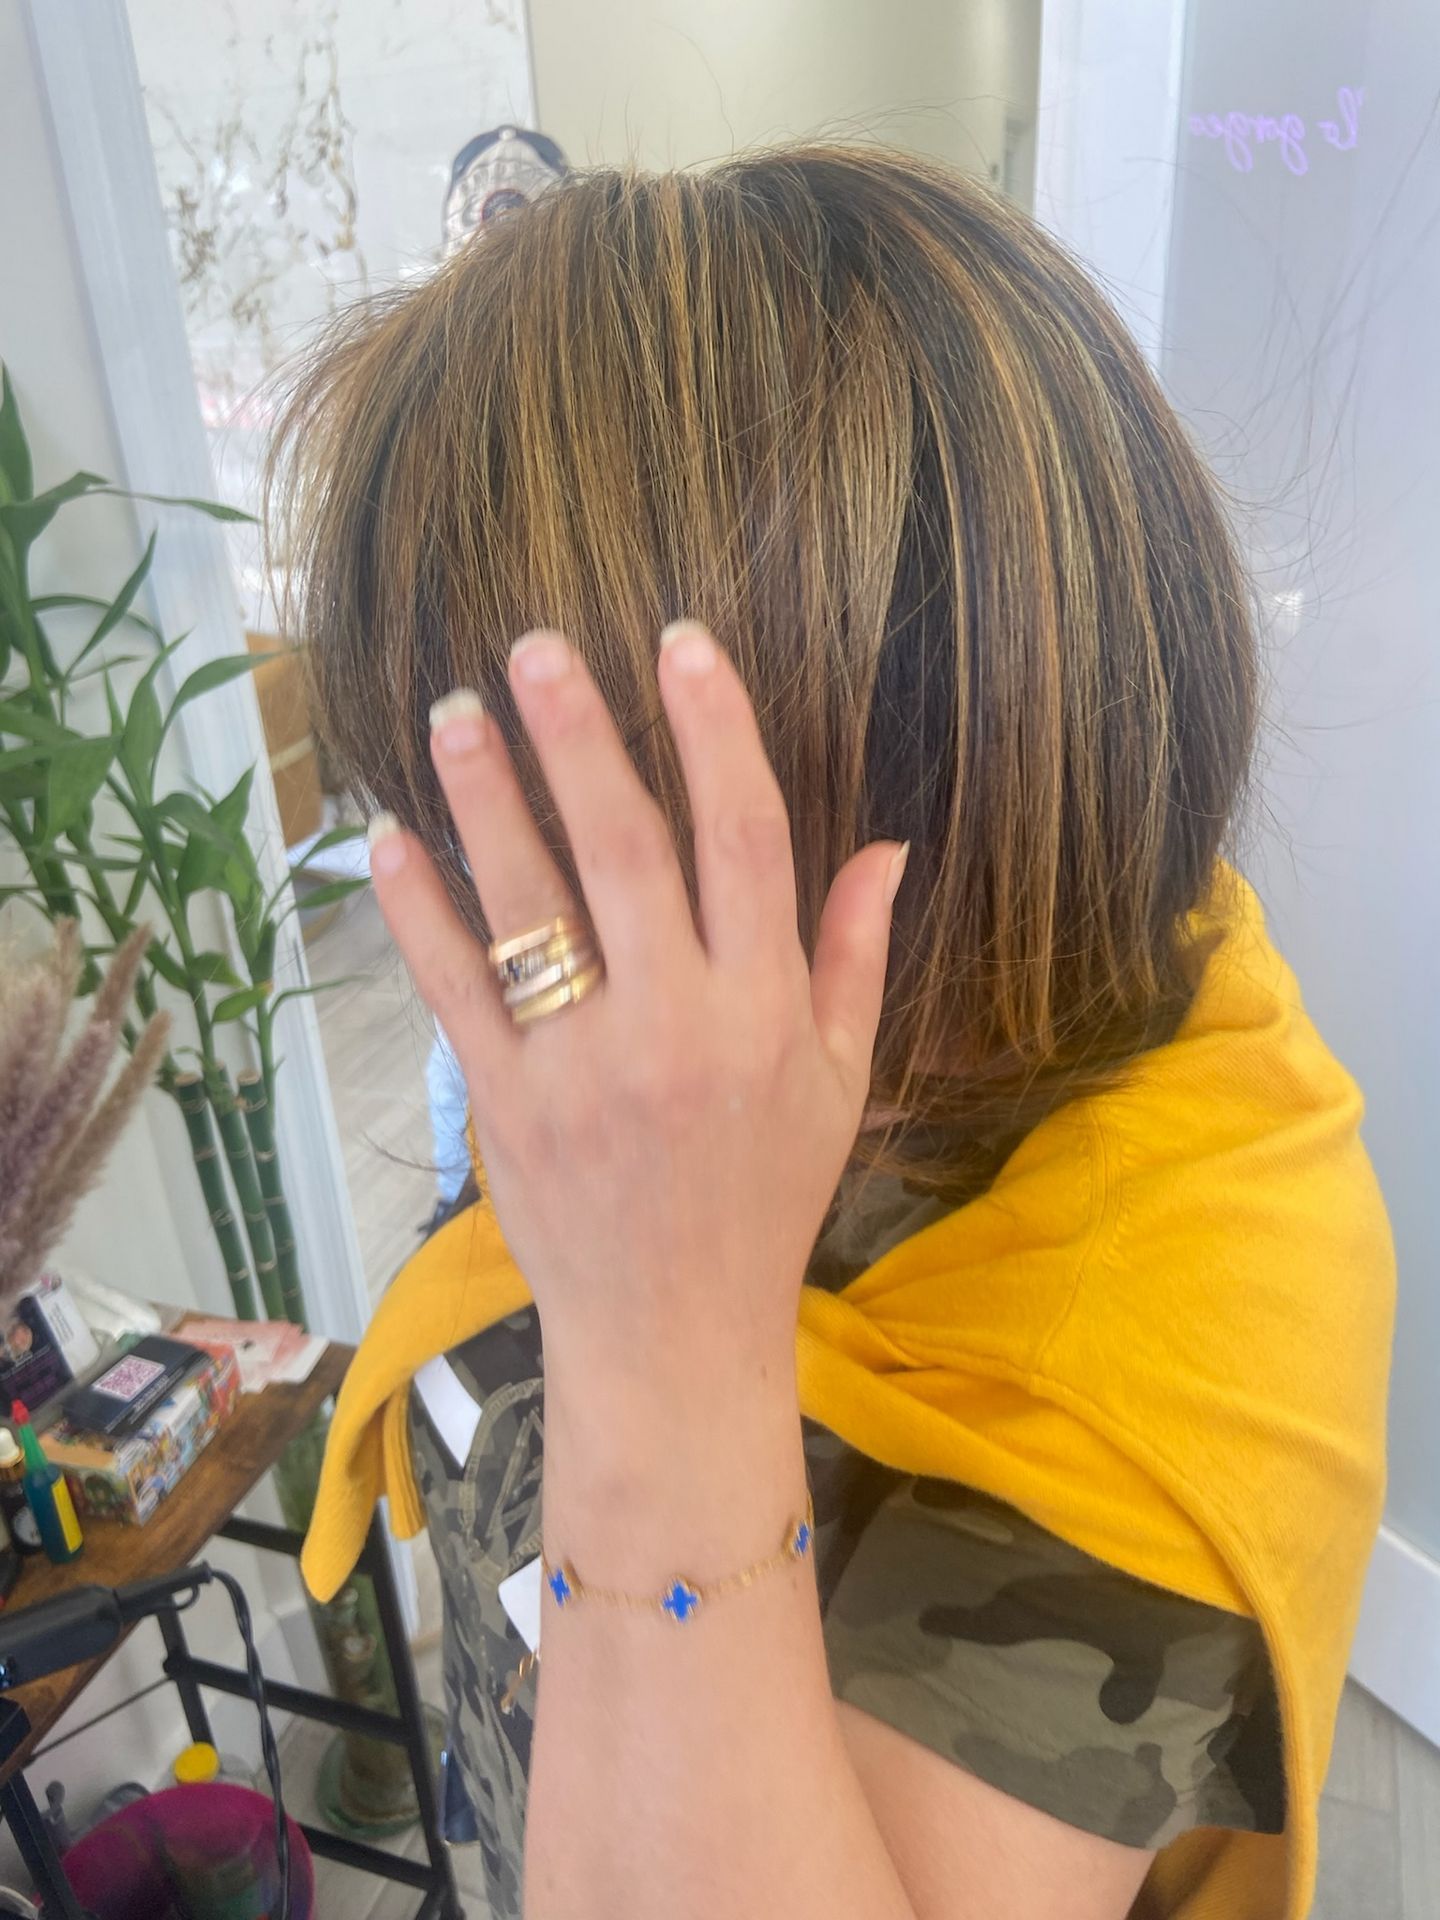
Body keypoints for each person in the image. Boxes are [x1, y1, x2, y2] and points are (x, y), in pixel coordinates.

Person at [275, 148, 1394, 1920]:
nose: (504, 944)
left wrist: (658, 1337)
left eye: (553, 843)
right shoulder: (678, 1026)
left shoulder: (1160, 1314)